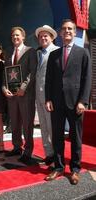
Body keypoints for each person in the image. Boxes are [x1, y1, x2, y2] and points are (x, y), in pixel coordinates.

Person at [44, 19, 91, 184]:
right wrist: (48, 98)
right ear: (61, 32)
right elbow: (48, 79)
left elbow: (87, 79)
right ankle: (58, 167)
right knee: (57, 136)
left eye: (70, 28)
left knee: (76, 137)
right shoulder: (53, 54)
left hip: (76, 103)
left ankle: (75, 169)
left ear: (75, 31)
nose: (67, 31)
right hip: (56, 102)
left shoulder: (83, 53)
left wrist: (83, 101)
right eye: (64, 29)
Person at [2, 26, 37, 163]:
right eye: (13, 36)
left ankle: (28, 151)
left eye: (17, 35)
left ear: (23, 37)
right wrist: (4, 87)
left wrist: (23, 87)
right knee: (15, 122)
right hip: (12, 95)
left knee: (27, 124)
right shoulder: (9, 53)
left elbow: (32, 72)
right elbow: (5, 74)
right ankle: (17, 147)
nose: (15, 38)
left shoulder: (31, 51)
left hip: (26, 94)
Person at [35, 25, 59, 165]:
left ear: (51, 37)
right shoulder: (39, 53)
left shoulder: (57, 51)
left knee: (52, 128)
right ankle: (49, 154)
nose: (43, 38)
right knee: (43, 127)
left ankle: (57, 156)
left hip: (50, 98)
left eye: (46, 36)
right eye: (41, 36)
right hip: (39, 96)